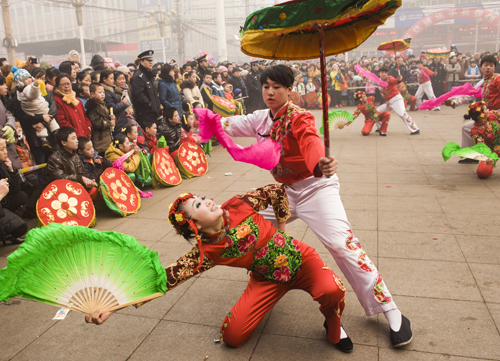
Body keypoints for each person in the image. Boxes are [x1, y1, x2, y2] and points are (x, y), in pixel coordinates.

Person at [196, 65, 412, 348]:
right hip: (283, 193)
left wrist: (319, 164)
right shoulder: (260, 119)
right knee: (236, 219)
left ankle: (390, 309)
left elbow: (310, 140)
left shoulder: (300, 117)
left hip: (315, 189)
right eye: (266, 86)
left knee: (342, 244)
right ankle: (269, 273)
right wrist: (202, 121)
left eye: (276, 87)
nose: (270, 92)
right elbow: (230, 123)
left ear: (290, 90)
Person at [84, 185, 353, 352]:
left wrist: (281, 227)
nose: (208, 200)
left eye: (201, 197)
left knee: (331, 291)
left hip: (301, 261)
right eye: (198, 205)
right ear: (195, 226)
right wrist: (113, 306)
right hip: (266, 280)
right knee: (232, 337)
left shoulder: (239, 205)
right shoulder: (208, 252)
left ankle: (332, 324)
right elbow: (167, 278)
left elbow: (275, 191)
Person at [446, 55, 500, 162]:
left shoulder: (497, 79)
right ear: (481, 67)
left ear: (494, 67)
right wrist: (454, 103)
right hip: (487, 116)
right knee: (467, 128)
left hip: (496, 115)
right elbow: (469, 95)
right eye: (486, 65)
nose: (488, 68)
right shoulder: (481, 82)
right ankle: (472, 156)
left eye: (491, 65)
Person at [11, 67, 59, 147]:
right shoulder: (19, 95)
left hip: (49, 126)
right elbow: (21, 116)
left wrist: (44, 122)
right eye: (38, 78)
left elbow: (53, 109)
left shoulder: (47, 92)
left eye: (43, 78)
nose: (40, 81)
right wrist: (40, 118)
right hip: (33, 131)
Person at [44, 127, 97, 196]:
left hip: (73, 187)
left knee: (93, 190)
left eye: (76, 137)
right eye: (73, 138)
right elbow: (61, 179)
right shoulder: (54, 159)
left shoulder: (76, 156)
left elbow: (82, 174)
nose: (77, 141)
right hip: (58, 191)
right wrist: (80, 178)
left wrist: (87, 182)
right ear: (63, 142)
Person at [461, 101, 499, 179]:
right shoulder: (475, 132)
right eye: (486, 109)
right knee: (482, 173)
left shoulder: (493, 114)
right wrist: (488, 158)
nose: (488, 110)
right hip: (491, 151)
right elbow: (481, 147)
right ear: (480, 115)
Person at [377, 67, 420, 135]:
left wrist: (399, 79)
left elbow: (395, 81)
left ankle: (415, 129)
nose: (384, 74)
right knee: (376, 112)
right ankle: (380, 127)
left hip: (396, 99)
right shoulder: (378, 81)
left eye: (385, 72)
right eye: (382, 72)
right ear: (379, 73)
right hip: (388, 102)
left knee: (402, 113)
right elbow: (370, 80)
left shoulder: (390, 78)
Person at [0, 152, 27, 245]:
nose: (6, 152)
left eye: (6, 148)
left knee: (21, 196)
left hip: (4, 203)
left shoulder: (3, 165)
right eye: (2, 149)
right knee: (20, 227)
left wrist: (11, 170)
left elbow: (15, 189)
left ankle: (11, 231)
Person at [53, 74, 92, 138]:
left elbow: (85, 116)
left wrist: (88, 127)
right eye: (63, 84)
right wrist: (74, 132)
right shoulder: (57, 100)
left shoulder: (76, 100)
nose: (66, 86)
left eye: (68, 84)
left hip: (84, 135)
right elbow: (61, 121)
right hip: (71, 138)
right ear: (57, 86)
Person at [131, 50, 162, 129]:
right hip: (145, 114)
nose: (150, 62)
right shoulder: (139, 76)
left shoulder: (148, 74)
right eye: (148, 60)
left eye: (151, 60)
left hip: (153, 113)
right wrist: (150, 105)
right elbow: (139, 95)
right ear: (141, 62)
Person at [86, 83, 116, 156]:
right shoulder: (93, 106)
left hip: (106, 138)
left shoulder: (102, 104)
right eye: (99, 92)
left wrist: (112, 118)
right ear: (92, 94)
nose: (102, 94)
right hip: (100, 140)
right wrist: (109, 123)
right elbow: (96, 123)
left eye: (103, 92)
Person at [101, 69, 129, 136]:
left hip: (121, 120)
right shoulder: (106, 93)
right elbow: (112, 108)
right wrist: (123, 103)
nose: (113, 80)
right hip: (117, 121)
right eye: (111, 78)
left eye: (113, 78)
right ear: (104, 79)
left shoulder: (113, 89)